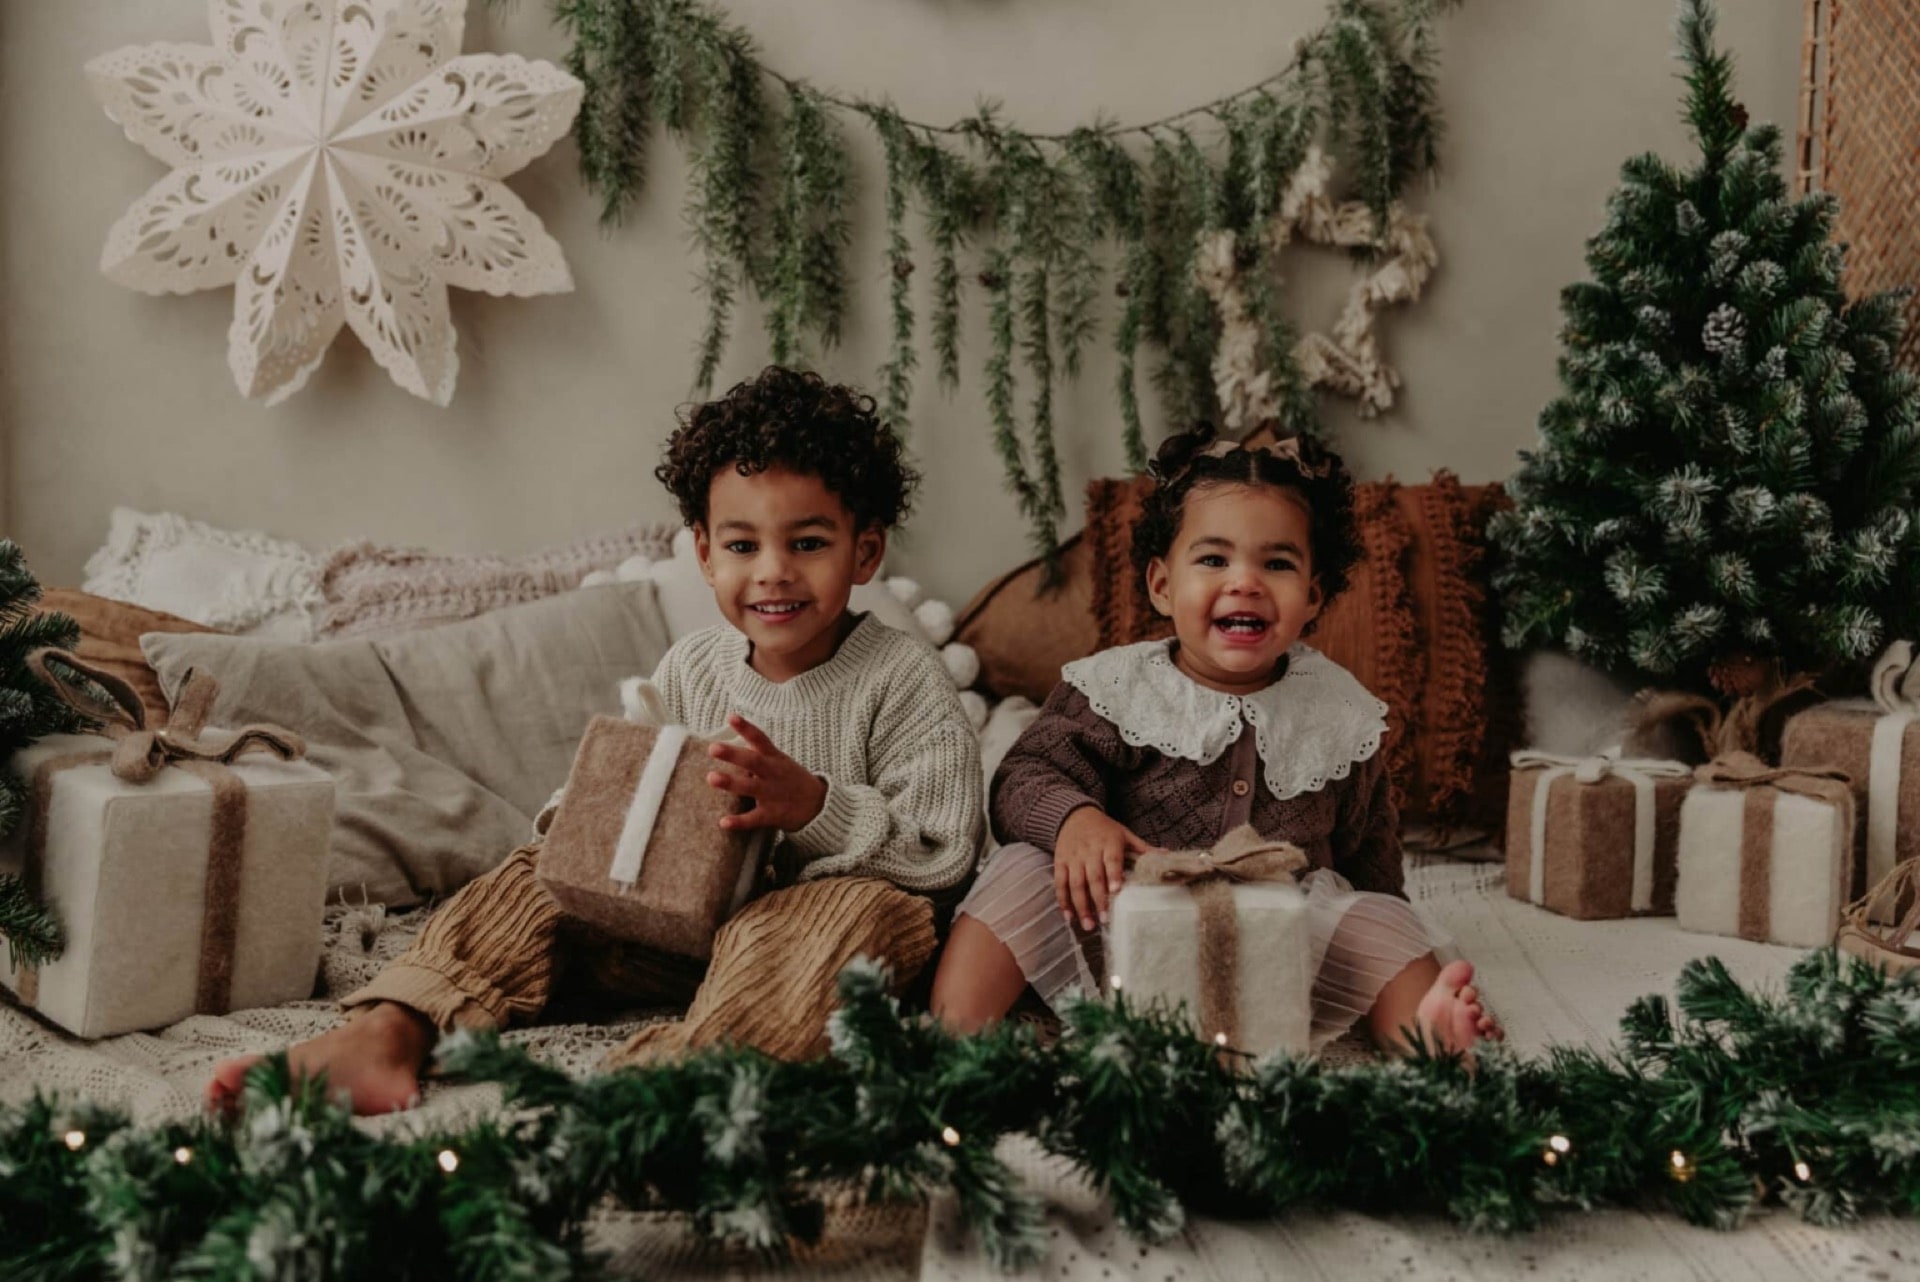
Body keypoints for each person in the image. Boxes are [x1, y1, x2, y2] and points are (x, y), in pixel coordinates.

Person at [209, 367, 984, 1114]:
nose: (774, 572)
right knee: (532, 876)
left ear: (866, 552)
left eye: (808, 543)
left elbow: (942, 858)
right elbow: (630, 787)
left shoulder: (900, 677)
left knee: (823, 920)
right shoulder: (694, 666)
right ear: (705, 554)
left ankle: (679, 1093)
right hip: (686, 927)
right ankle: (390, 1030)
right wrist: (581, 830)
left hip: (813, 939)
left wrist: (811, 805)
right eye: (743, 546)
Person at [929, 426, 1501, 1057]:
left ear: (1312, 596)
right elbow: (1024, 775)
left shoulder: (1339, 711)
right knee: (1024, 869)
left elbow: (1370, 847)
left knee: (1378, 920)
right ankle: (953, 1033)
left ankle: (1433, 1035)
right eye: (1213, 559)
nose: (1246, 582)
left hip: (1277, 939)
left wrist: (1385, 944)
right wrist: (1075, 821)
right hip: (1125, 918)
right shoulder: (1118, 687)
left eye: (1277, 563)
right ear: (1161, 585)